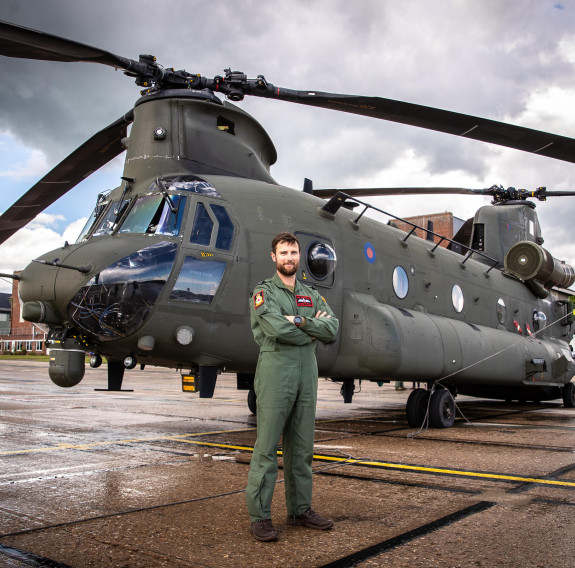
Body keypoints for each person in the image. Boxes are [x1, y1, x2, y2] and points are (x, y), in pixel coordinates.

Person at [246, 232, 339, 542]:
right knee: (267, 447)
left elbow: (333, 327)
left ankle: (300, 510)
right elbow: (272, 326)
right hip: (276, 371)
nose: (289, 258)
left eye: (294, 252)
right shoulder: (263, 292)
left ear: (300, 257)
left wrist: (297, 321)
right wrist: (311, 327)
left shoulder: (309, 293)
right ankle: (260, 516)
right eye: (283, 253)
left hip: (306, 374)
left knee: (302, 448)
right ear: (274, 257)